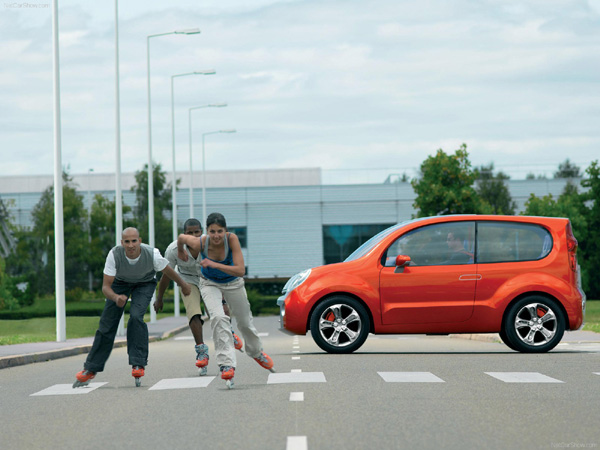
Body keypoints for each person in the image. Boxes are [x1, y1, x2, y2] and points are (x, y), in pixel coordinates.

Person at [73, 227, 191, 388]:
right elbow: (105, 287)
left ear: (140, 241)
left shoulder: (152, 254)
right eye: (127, 242)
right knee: (107, 324)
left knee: (136, 317)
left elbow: (168, 271)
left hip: (145, 283)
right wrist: (116, 297)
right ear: (122, 243)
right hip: (120, 284)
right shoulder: (114, 255)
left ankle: (138, 364)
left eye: (134, 241)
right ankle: (90, 368)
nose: (130, 245)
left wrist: (183, 285)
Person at [177, 212, 274, 386]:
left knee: (245, 323)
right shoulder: (200, 242)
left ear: (225, 231)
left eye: (220, 231)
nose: (216, 236)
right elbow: (181, 237)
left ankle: (256, 352)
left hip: (234, 283)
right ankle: (226, 364)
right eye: (212, 231)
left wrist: (214, 264)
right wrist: (179, 251)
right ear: (207, 231)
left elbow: (240, 270)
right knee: (219, 318)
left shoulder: (232, 240)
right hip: (209, 283)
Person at [154, 218, 243, 376]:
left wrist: (223, 297)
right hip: (187, 281)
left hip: (209, 280)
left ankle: (228, 331)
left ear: (202, 232)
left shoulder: (212, 245)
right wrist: (159, 298)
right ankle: (201, 350)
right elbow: (166, 275)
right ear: (184, 234)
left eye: (197, 232)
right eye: (190, 233)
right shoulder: (173, 250)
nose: (194, 235)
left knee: (218, 312)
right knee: (193, 312)